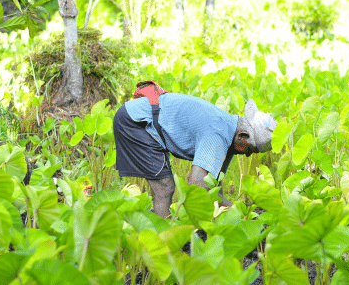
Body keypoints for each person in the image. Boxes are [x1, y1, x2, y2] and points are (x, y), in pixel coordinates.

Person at [113, 82, 277, 219]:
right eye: (252, 149)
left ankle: (149, 224)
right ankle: (163, 242)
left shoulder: (229, 134)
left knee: (164, 191)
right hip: (136, 121)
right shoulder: (218, 135)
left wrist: (243, 215)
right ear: (243, 136)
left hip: (141, 117)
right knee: (164, 187)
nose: (247, 154)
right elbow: (197, 187)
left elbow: (214, 192)